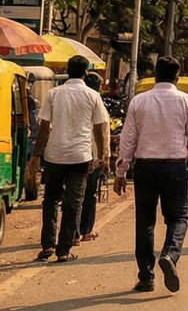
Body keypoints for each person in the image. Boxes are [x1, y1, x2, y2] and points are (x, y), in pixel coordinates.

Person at [115, 57, 188, 294]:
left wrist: (120, 171)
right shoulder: (187, 101)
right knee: (178, 218)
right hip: (174, 167)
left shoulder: (139, 101)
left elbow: (128, 139)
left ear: (155, 75)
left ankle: (146, 276)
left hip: (145, 167)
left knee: (145, 222)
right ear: (177, 77)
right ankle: (169, 254)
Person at [30, 55, 108, 263]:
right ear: (85, 73)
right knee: (73, 204)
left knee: (51, 200)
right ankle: (63, 250)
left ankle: (48, 244)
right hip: (80, 157)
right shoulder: (93, 96)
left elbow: (44, 127)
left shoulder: (54, 94)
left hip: (54, 155)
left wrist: (35, 154)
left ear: (67, 70)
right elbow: (99, 129)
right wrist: (102, 156)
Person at [77, 72, 111, 245]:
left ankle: (73, 232)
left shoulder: (76, 101)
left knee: (75, 194)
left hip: (75, 153)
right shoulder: (97, 102)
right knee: (89, 194)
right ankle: (85, 230)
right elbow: (103, 131)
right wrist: (105, 157)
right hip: (93, 154)